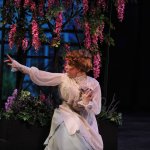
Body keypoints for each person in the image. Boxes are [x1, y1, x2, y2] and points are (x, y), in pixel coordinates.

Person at [4, 49, 103, 150]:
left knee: (83, 142)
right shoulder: (64, 78)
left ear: (78, 68)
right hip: (67, 113)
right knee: (68, 135)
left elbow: (97, 109)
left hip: (86, 120)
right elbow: (41, 75)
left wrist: (87, 102)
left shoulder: (93, 84)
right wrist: (19, 66)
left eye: (69, 65)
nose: (66, 67)